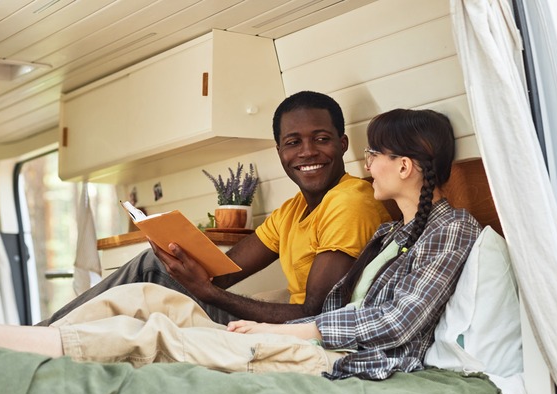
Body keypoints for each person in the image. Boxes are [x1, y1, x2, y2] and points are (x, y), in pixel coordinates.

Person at [0, 108, 481, 380]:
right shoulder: (391, 233)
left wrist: (279, 328)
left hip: (351, 362)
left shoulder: (451, 229)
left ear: (404, 165)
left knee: (156, 329)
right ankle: (7, 339)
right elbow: (332, 305)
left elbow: (393, 325)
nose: (367, 163)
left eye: (375, 154)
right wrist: (190, 268)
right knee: (146, 295)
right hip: (314, 338)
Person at [40, 91, 391, 326]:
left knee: (147, 275)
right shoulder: (292, 210)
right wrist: (174, 250)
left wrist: (207, 292)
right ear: (280, 152)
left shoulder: (350, 202)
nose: (307, 152)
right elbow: (222, 272)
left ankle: (44, 334)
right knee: (154, 268)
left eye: (321, 139)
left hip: (300, 330)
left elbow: (314, 313)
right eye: (293, 142)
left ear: (343, 144)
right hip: (288, 321)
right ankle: (50, 333)